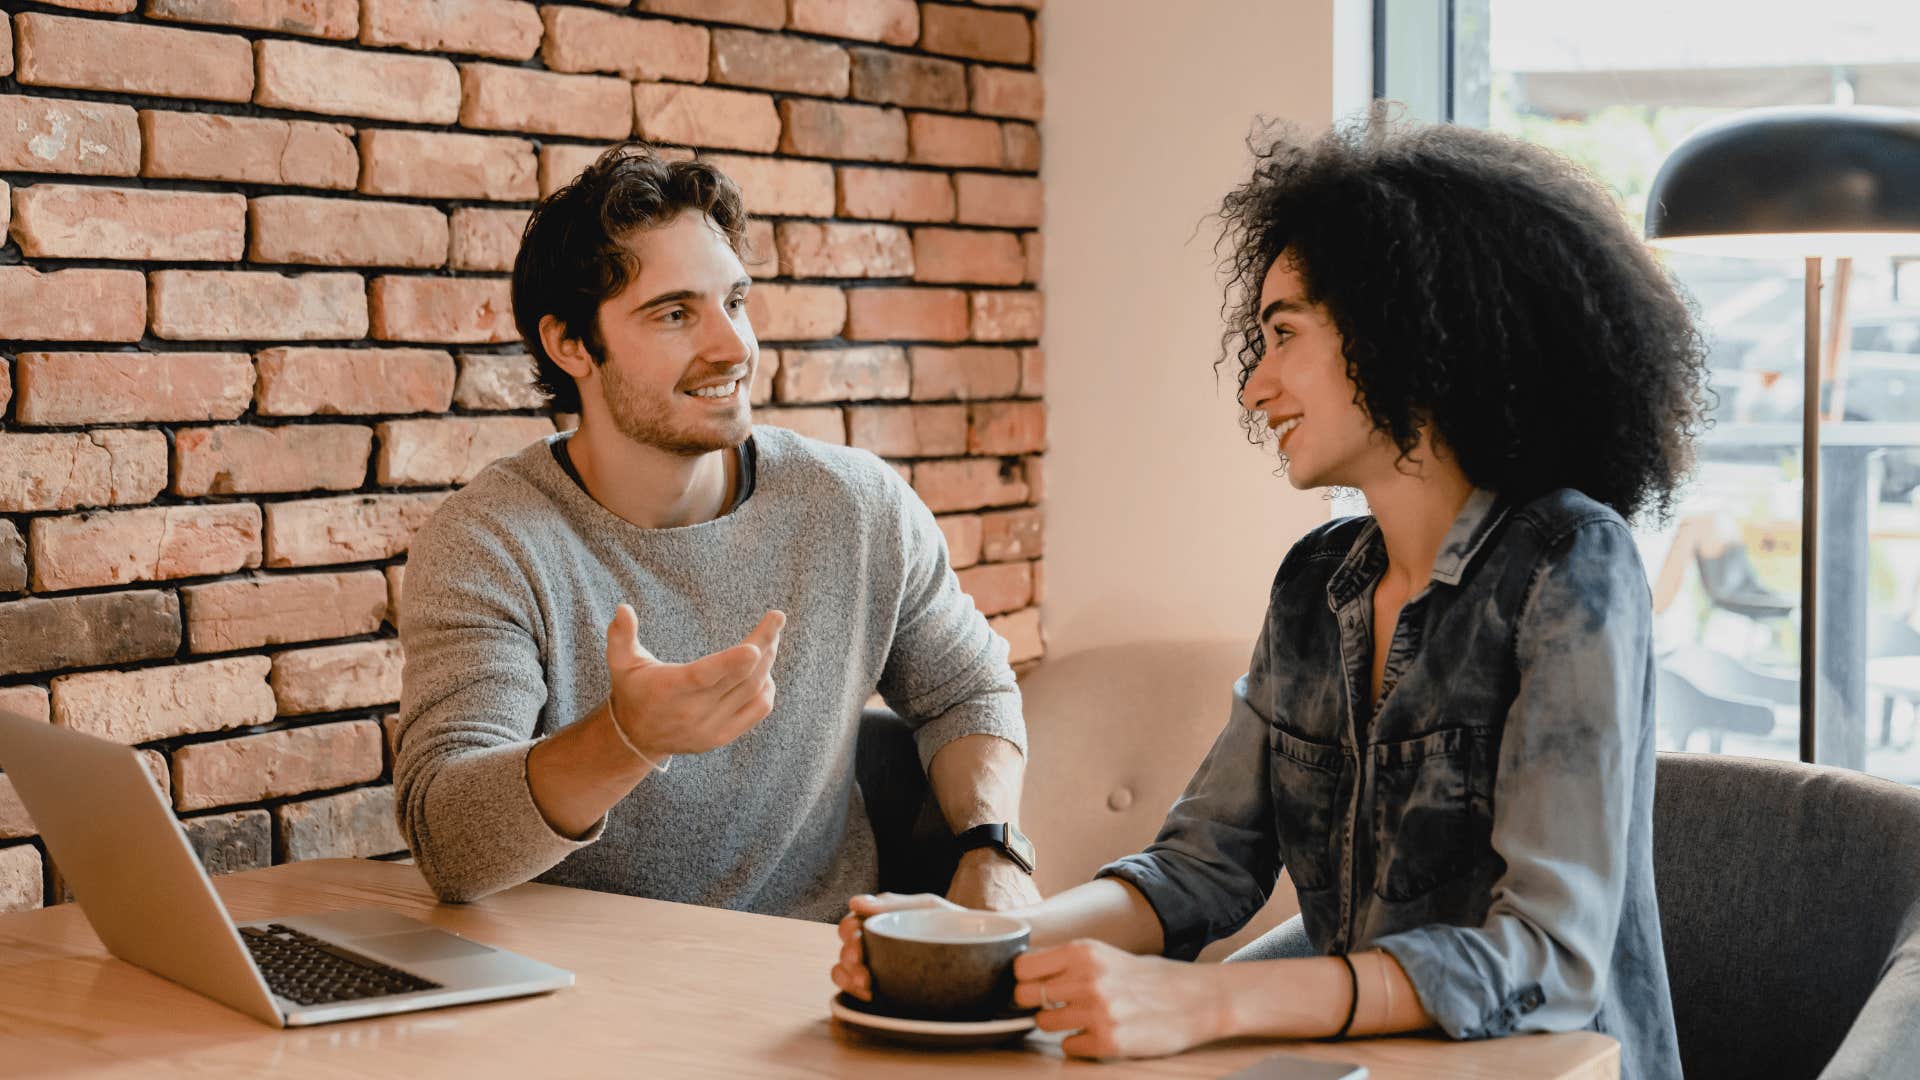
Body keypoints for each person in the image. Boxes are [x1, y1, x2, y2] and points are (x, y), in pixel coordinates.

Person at [833, 113, 1702, 1078]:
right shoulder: (1314, 584)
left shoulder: (1573, 562)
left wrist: (1210, 1001)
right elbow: (1201, 869)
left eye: (1282, 334)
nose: (1255, 386)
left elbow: (1548, 960)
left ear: (1405, 326)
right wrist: (985, 941)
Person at [393, 144, 1040, 921]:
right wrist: (626, 737)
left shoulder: (859, 508)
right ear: (570, 344)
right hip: (579, 996)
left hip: (816, 979)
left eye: (735, 302)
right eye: (674, 313)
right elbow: (447, 845)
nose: (734, 347)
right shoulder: (490, 545)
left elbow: (967, 692)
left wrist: (993, 848)